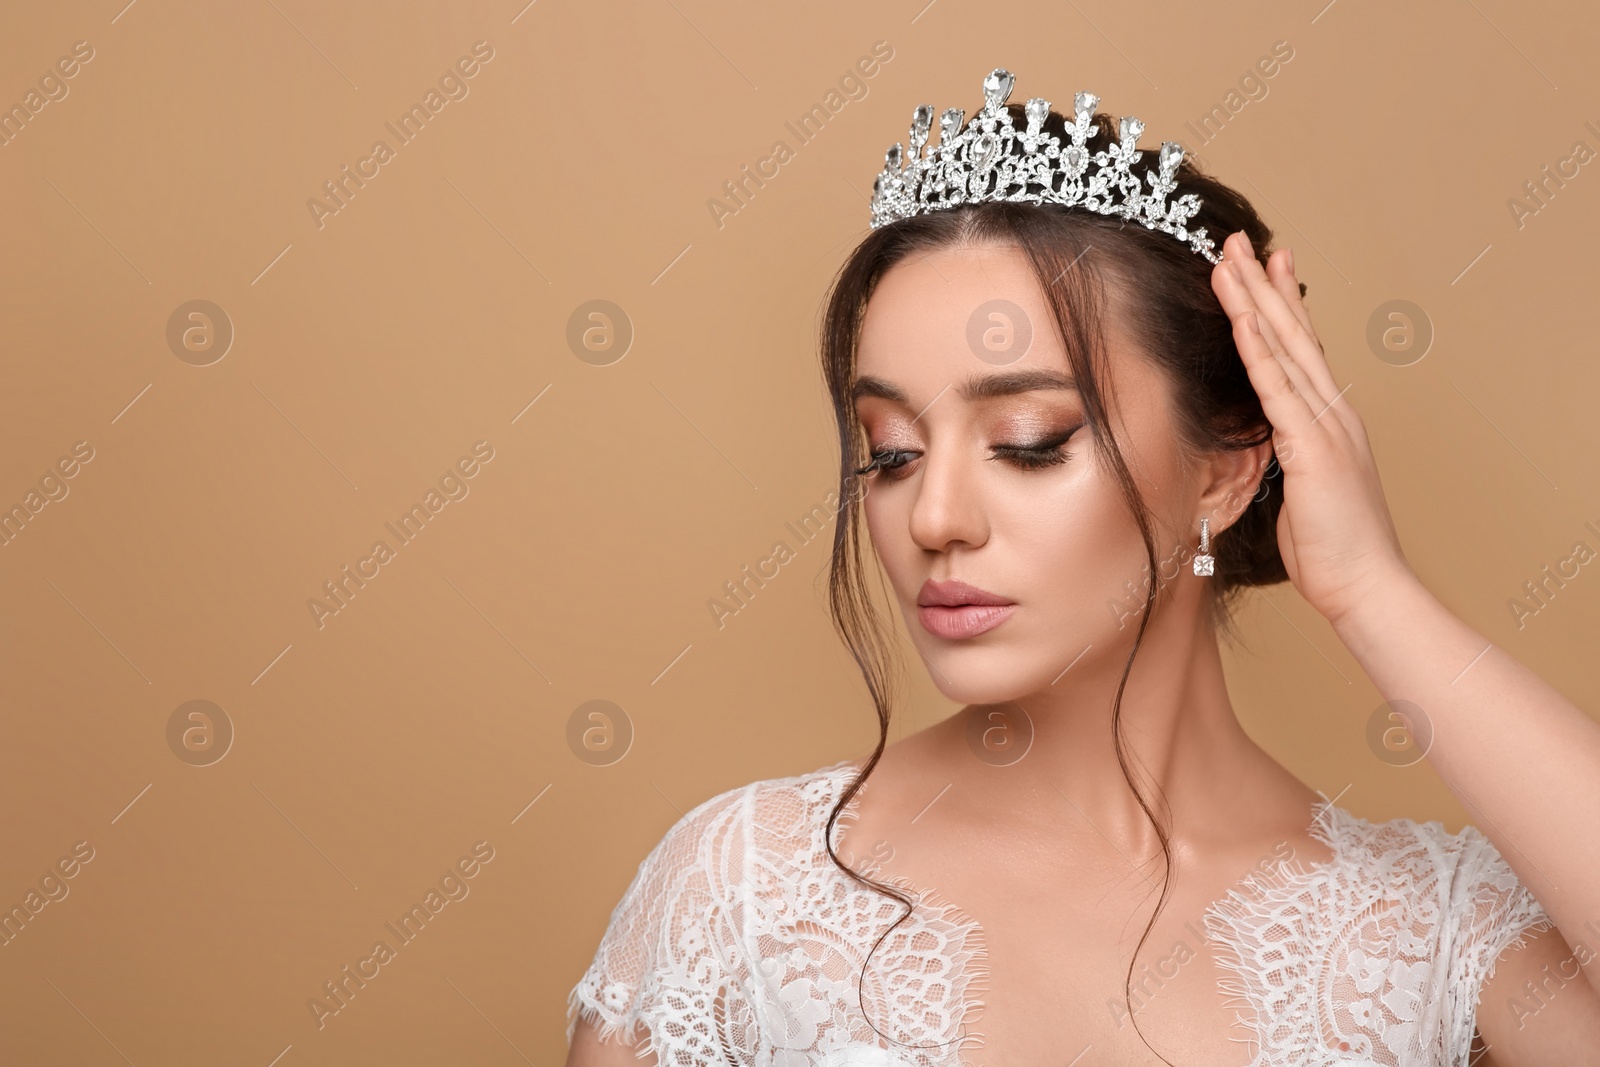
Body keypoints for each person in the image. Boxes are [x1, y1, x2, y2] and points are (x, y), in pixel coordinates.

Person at [565, 69, 1600, 1066]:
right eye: (889, 450)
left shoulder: (1429, 927)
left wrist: (1373, 591)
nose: (931, 516)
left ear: (1227, 470)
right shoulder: (743, 888)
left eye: (1026, 440)